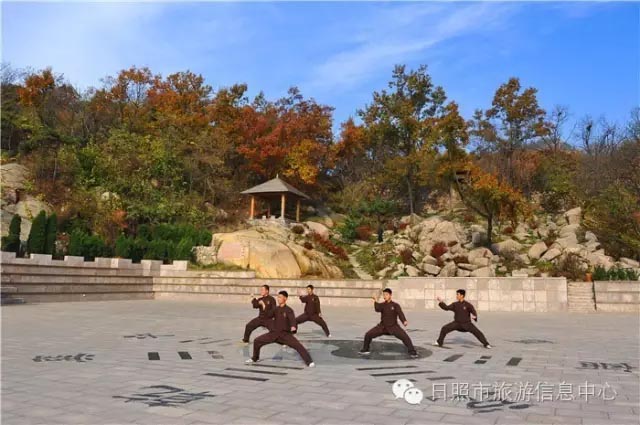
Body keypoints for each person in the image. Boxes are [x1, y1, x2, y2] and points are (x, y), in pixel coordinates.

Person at [246, 290, 315, 367]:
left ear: (285, 298)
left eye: (280, 297)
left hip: (285, 335)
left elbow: (292, 320)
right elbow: (267, 315)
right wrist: (263, 306)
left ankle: (309, 362)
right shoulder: (276, 309)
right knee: (257, 341)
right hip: (274, 333)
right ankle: (255, 358)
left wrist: (293, 327)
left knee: (298, 346)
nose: (278, 299)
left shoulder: (289, 310)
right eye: (278, 297)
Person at [359, 288, 418, 357]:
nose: (385, 296)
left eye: (386, 295)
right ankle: (365, 350)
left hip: (393, 327)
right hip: (382, 327)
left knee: (405, 337)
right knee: (368, 334)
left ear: (390, 295)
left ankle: (412, 352)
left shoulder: (395, 305)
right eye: (384, 295)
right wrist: (375, 300)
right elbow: (377, 309)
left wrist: (404, 321)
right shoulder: (382, 305)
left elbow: (400, 313)